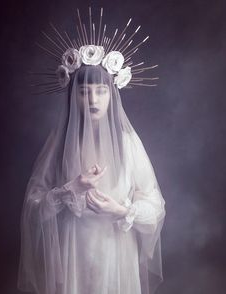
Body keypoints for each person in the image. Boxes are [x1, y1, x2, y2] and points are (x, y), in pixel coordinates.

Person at [17, 12, 166, 294]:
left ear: (113, 94)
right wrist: (68, 190)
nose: (94, 100)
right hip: (74, 253)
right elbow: (33, 209)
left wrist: (121, 210)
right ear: (74, 96)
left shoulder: (128, 143)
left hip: (117, 251)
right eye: (85, 92)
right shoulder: (59, 144)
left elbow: (155, 207)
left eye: (101, 91)